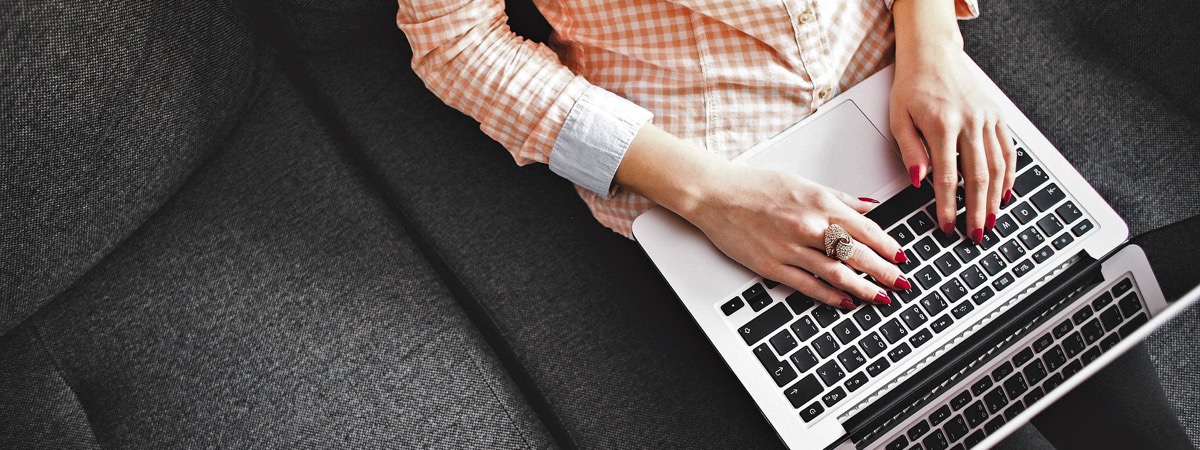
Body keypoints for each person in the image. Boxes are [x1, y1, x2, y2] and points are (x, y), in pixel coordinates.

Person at [395, 1, 1193, 448]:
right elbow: (455, 40)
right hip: (721, 174)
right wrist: (711, 194)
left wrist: (934, 42)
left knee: (1120, 401)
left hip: (905, 85)